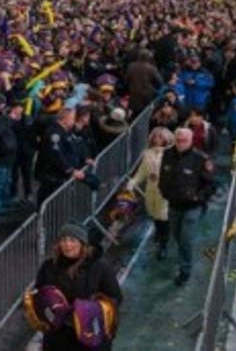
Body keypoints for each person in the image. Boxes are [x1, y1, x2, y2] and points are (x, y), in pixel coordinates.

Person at [33, 224, 123, 351]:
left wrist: (90, 309)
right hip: (58, 336)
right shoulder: (49, 266)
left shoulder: (100, 267)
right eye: (63, 240)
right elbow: (39, 294)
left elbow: (115, 298)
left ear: (83, 243)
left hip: (90, 334)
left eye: (72, 240)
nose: (67, 244)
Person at [159, 127, 215, 286]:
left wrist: (198, 197)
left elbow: (211, 184)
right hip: (174, 204)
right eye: (178, 140)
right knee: (176, 235)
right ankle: (184, 258)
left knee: (185, 239)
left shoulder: (201, 159)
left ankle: (185, 270)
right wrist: (164, 191)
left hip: (193, 207)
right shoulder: (167, 154)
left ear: (191, 141)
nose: (180, 143)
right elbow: (163, 176)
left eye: (184, 140)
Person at [129, 127, 173, 260]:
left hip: (164, 190)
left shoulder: (171, 154)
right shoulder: (147, 153)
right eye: (155, 136)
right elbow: (142, 172)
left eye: (160, 137)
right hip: (150, 189)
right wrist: (132, 183)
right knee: (153, 213)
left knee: (163, 216)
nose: (157, 139)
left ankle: (163, 246)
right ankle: (159, 232)